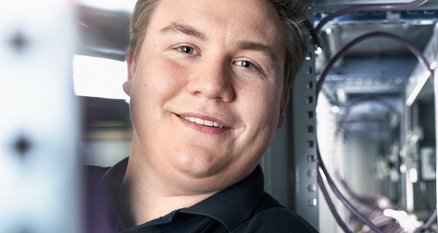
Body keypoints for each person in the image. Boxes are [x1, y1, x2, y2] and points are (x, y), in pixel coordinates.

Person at [89, 0, 317, 232]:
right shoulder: (59, 192)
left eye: (247, 64)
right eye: (186, 49)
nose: (212, 85)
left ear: (281, 104)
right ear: (133, 68)